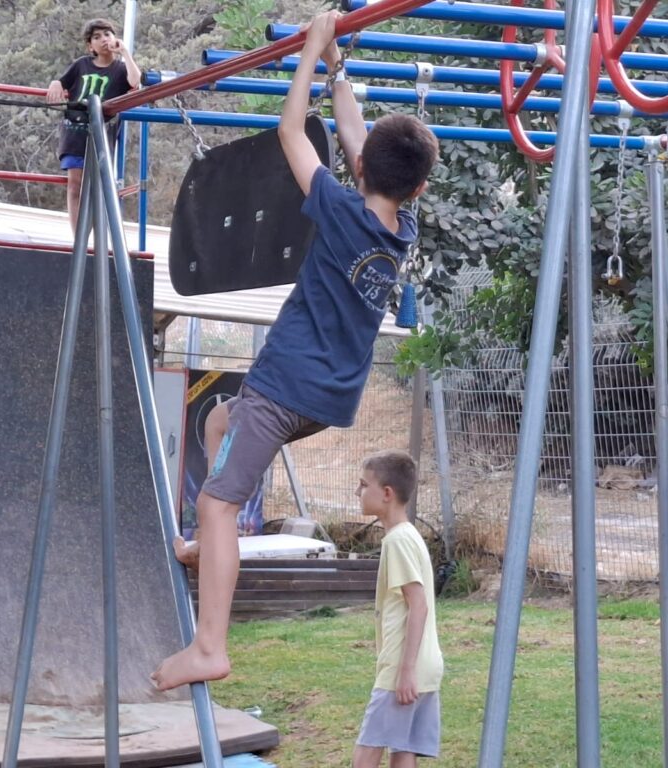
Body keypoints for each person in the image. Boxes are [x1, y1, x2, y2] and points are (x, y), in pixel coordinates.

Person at [149, 10, 439, 692]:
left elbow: (290, 133)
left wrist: (309, 51)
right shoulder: (400, 228)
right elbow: (357, 139)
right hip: (327, 396)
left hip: (284, 386)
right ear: (418, 188)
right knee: (220, 421)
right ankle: (205, 549)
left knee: (217, 503)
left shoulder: (338, 207)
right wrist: (338, 67)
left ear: (359, 170)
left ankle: (210, 645)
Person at [352, 450, 443, 767]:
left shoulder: (397, 541)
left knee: (366, 753)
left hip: (402, 668)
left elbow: (418, 605)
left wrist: (405, 671)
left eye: (364, 484)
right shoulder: (409, 535)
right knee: (402, 750)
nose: (358, 492)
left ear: (387, 493)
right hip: (425, 667)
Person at [46, 18, 141, 233]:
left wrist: (125, 52)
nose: (103, 39)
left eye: (107, 34)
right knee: (75, 185)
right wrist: (55, 83)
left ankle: (92, 238)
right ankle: (78, 238)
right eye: (97, 37)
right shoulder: (82, 64)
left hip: (102, 135)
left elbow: (136, 82)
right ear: (90, 46)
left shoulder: (120, 69)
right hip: (75, 133)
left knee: (97, 188)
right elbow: (61, 81)